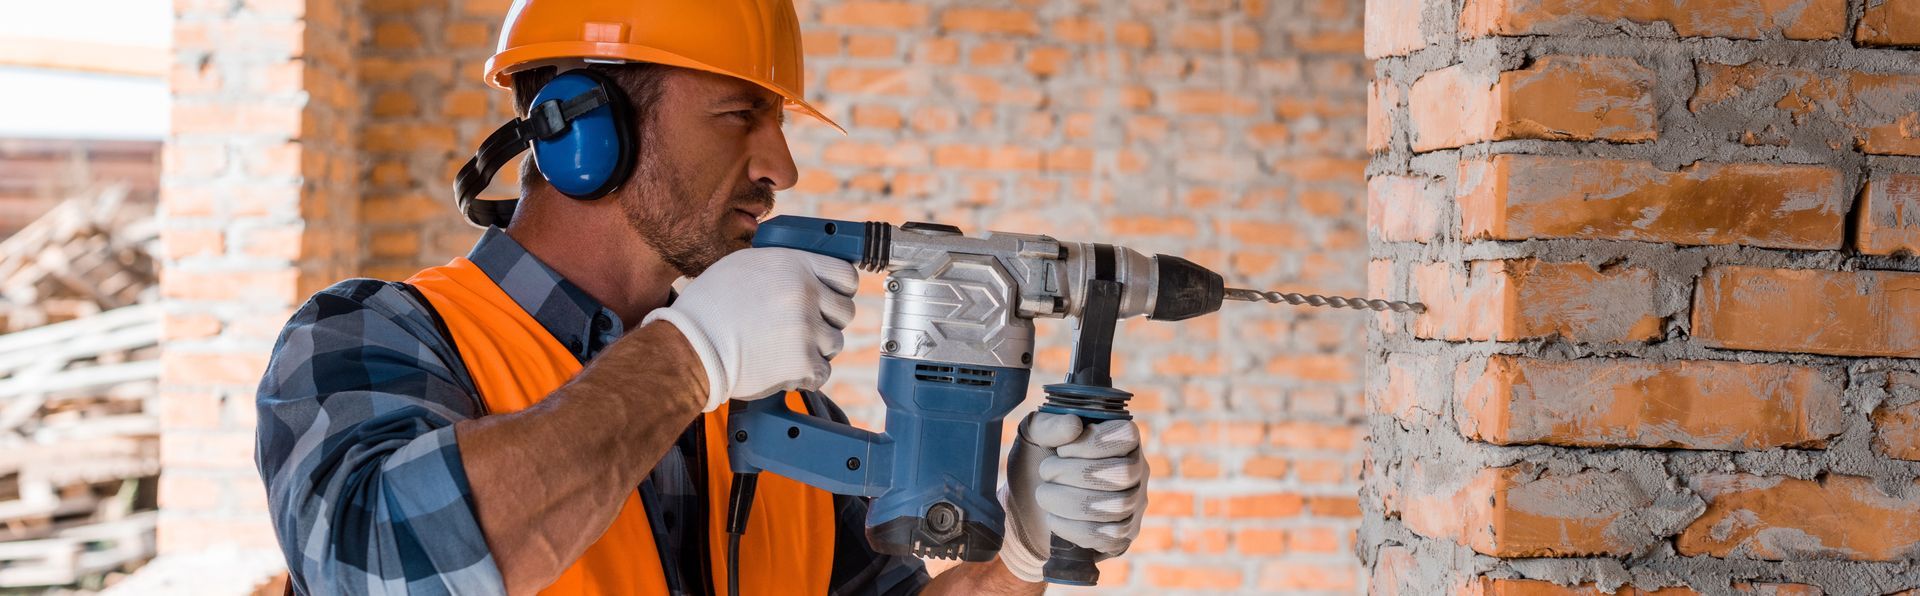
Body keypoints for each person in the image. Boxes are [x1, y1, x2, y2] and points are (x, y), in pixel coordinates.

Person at [253, 0, 1146, 593]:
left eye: (779, 125)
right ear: (580, 129)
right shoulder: (373, 337)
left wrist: (1023, 551)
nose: (781, 168)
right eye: (737, 115)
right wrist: (689, 357)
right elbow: (376, 564)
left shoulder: (784, 413)